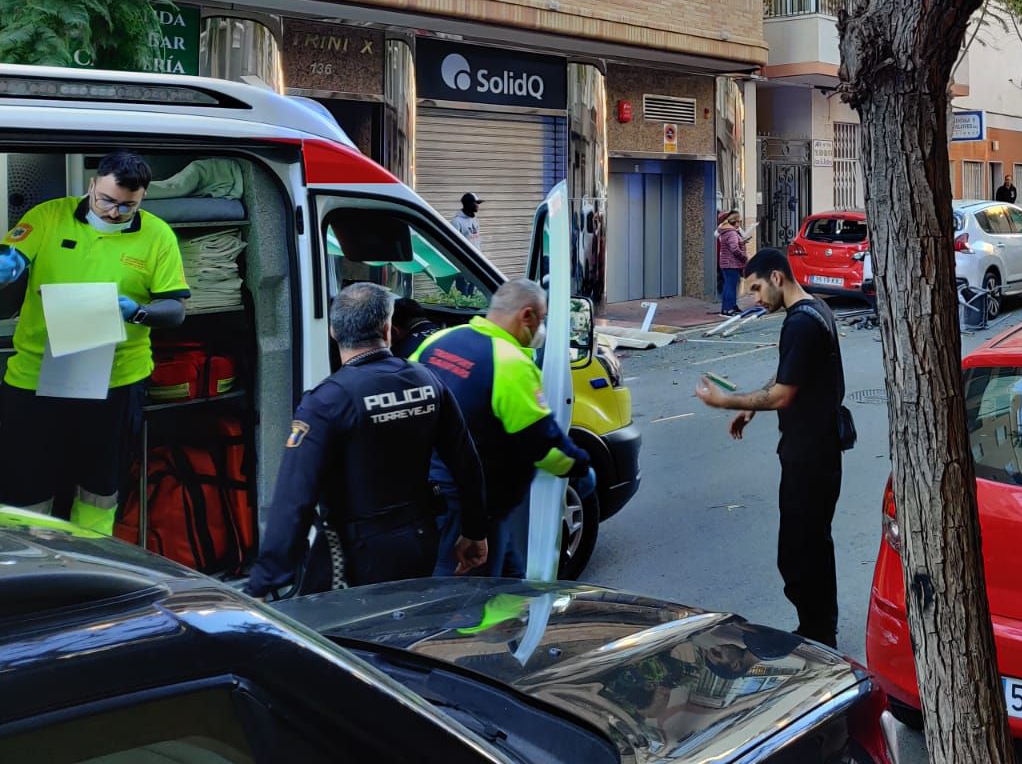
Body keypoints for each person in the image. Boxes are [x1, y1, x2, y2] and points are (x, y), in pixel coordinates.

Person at [246, 283, 488, 597]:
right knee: (402, 629)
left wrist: (264, 582)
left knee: (340, 640)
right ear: (387, 329)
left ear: (333, 330)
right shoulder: (428, 380)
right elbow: (466, 463)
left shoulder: (326, 401)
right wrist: (475, 531)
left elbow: (295, 496)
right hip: (420, 540)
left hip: (355, 553)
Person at [0, 151, 189, 534]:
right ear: (91, 186)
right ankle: (29, 565)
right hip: (36, 376)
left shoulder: (157, 236)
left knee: (99, 485)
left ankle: (92, 559)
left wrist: (137, 311)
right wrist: (10, 264)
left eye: (127, 206)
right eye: (106, 200)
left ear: (143, 198)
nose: (114, 212)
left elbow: (175, 308)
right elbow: (14, 252)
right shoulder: (49, 216)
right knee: (26, 480)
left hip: (115, 378)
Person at [694, 249, 845, 646]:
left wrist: (727, 401)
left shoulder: (800, 324)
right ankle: (820, 627)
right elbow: (786, 375)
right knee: (812, 543)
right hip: (818, 449)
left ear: (778, 277)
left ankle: (816, 634)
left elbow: (782, 394)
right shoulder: (816, 310)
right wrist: (752, 410)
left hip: (809, 454)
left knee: (798, 551)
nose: (756, 299)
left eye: (757, 288)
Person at [410, 279, 596, 578]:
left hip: (432, 493)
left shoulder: (439, 341)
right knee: (466, 604)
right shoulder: (510, 364)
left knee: (510, 590)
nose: (542, 328)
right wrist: (581, 468)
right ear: (526, 316)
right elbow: (542, 446)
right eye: (543, 318)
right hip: (471, 511)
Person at [716, 212, 752, 317]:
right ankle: (728, 309)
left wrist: (741, 242)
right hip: (731, 263)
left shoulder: (725, 231)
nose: (739, 224)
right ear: (735, 221)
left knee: (728, 285)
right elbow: (734, 249)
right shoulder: (731, 233)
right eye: (739, 221)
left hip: (726, 263)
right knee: (730, 286)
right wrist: (744, 258)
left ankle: (729, 307)